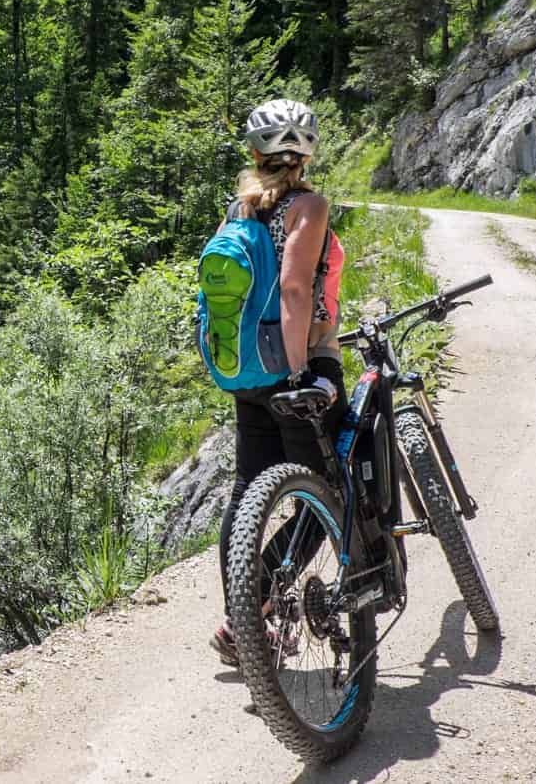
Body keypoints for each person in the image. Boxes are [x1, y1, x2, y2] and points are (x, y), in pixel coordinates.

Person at [209, 98, 346, 667]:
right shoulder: (307, 206)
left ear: (254, 152)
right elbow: (294, 291)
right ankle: (257, 607)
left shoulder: (237, 210)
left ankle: (241, 620)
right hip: (298, 363)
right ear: (307, 152)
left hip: (246, 373)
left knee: (248, 496)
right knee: (324, 495)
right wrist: (298, 372)